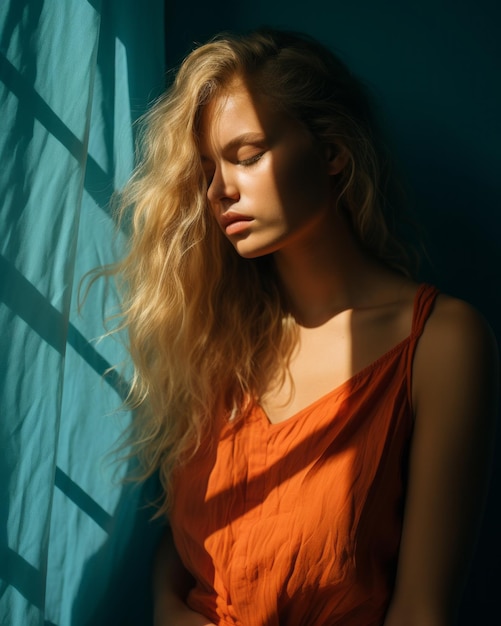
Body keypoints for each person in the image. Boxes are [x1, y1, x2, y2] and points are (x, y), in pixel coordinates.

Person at [111, 29, 498, 625]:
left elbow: (422, 609)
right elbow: (193, 539)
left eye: (246, 155)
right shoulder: (219, 340)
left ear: (333, 152)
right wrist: (166, 607)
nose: (220, 190)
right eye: (209, 168)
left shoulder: (441, 343)